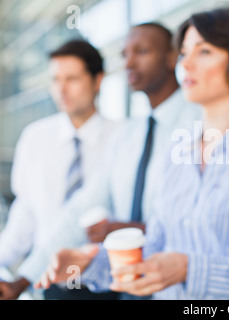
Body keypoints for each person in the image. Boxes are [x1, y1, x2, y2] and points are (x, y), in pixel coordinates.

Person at [37, 7, 229, 300]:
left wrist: (189, 268)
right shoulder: (179, 151)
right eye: (184, 54)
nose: (185, 65)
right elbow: (155, 249)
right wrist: (90, 263)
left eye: (204, 52)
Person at [8, 22, 201, 300]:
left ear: (173, 57)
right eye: (124, 55)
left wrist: (142, 231)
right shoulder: (128, 135)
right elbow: (79, 210)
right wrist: (24, 278)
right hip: (122, 288)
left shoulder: (202, 124)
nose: (129, 62)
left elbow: (211, 223)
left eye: (142, 51)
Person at [0, 40, 119, 300]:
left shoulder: (123, 138)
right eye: (55, 79)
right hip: (49, 280)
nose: (61, 89)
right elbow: (25, 213)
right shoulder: (35, 138)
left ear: (97, 81)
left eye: (72, 79)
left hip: (110, 282)